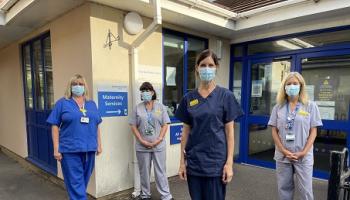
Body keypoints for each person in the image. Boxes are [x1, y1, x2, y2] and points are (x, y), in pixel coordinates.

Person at [175, 49, 243, 200]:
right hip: (194, 163)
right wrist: (181, 162)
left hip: (215, 164)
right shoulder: (189, 98)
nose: (207, 69)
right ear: (197, 68)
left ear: (216, 67)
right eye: (203, 65)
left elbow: (230, 133)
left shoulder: (226, 96)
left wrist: (229, 164)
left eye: (211, 65)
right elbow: (185, 133)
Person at [268, 72, 322, 200]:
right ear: (284, 87)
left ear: (301, 86)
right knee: (284, 190)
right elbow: (274, 131)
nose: (292, 86)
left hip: (303, 156)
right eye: (289, 84)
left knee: (306, 192)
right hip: (283, 156)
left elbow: (313, 131)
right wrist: (284, 150)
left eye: (295, 83)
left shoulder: (310, 106)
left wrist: (303, 152)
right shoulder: (278, 107)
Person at [46, 74, 102, 200]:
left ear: (85, 87)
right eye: (75, 84)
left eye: (81, 84)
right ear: (70, 87)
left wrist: (99, 144)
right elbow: (54, 125)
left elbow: (97, 125)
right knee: (76, 186)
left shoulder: (91, 104)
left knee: (80, 184)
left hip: (89, 150)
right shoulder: (62, 103)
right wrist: (56, 148)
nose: (78, 86)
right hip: (70, 151)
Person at [129, 82, 173, 200]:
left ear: (152, 92)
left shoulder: (160, 107)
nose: (145, 93)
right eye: (142, 91)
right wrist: (141, 140)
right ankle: (145, 195)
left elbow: (165, 124)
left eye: (147, 91)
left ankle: (166, 196)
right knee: (144, 172)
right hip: (142, 146)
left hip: (158, 146)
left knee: (161, 172)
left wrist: (159, 139)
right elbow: (133, 125)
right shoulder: (137, 108)